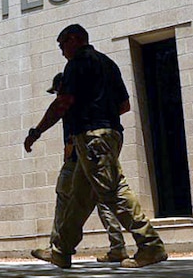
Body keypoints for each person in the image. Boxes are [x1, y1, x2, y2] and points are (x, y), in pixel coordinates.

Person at [24, 24, 167, 269]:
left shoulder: (77, 63)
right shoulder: (108, 64)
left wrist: (37, 131)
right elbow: (124, 106)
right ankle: (61, 250)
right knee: (79, 197)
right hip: (109, 134)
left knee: (114, 191)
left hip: (92, 138)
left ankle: (151, 245)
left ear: (75, 39)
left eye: (62, 45)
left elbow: (63, 103)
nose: (61, 52)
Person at [44, 72, 130, 263]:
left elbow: (71, 137)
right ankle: (118, 246)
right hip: (100, 149)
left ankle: (57, 247)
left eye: (58, 91)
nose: (57, 96)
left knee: (64, 197)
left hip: (78, 157)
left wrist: (68, 157)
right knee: (104, 198)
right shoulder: (95, 101)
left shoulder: (71, 106)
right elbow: (124, 107)